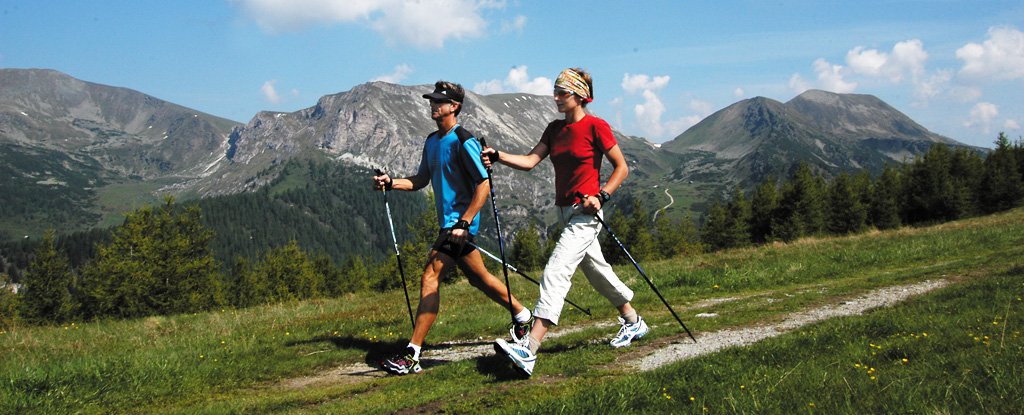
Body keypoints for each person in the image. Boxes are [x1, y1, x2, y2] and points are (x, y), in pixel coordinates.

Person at [483, 68, 649, 377]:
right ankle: (633, 321)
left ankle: (529, 349)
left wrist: (602, 195)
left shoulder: (596, 126)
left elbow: (621, 168)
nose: (556, 97)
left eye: (563, 92)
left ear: (580, 96)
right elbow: (531, 161)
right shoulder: (554, 129)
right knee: (597, 271)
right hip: (564, 212)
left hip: (587, 213)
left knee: (556, 269)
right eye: (556, 91)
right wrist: (499, 154)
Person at [372, 80, 532, 375]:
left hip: (459, 225)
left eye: (438, 102)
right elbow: (420, 180)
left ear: (454, 107)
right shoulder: (432, 141)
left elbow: (482, 183)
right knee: (479, 278)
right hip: (451, 225)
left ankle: (412, 354)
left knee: (430, 274)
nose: (433, 105)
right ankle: (523, 316)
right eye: (431, 101)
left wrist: (465, 221)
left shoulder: (464, 140)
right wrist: (391, 183)